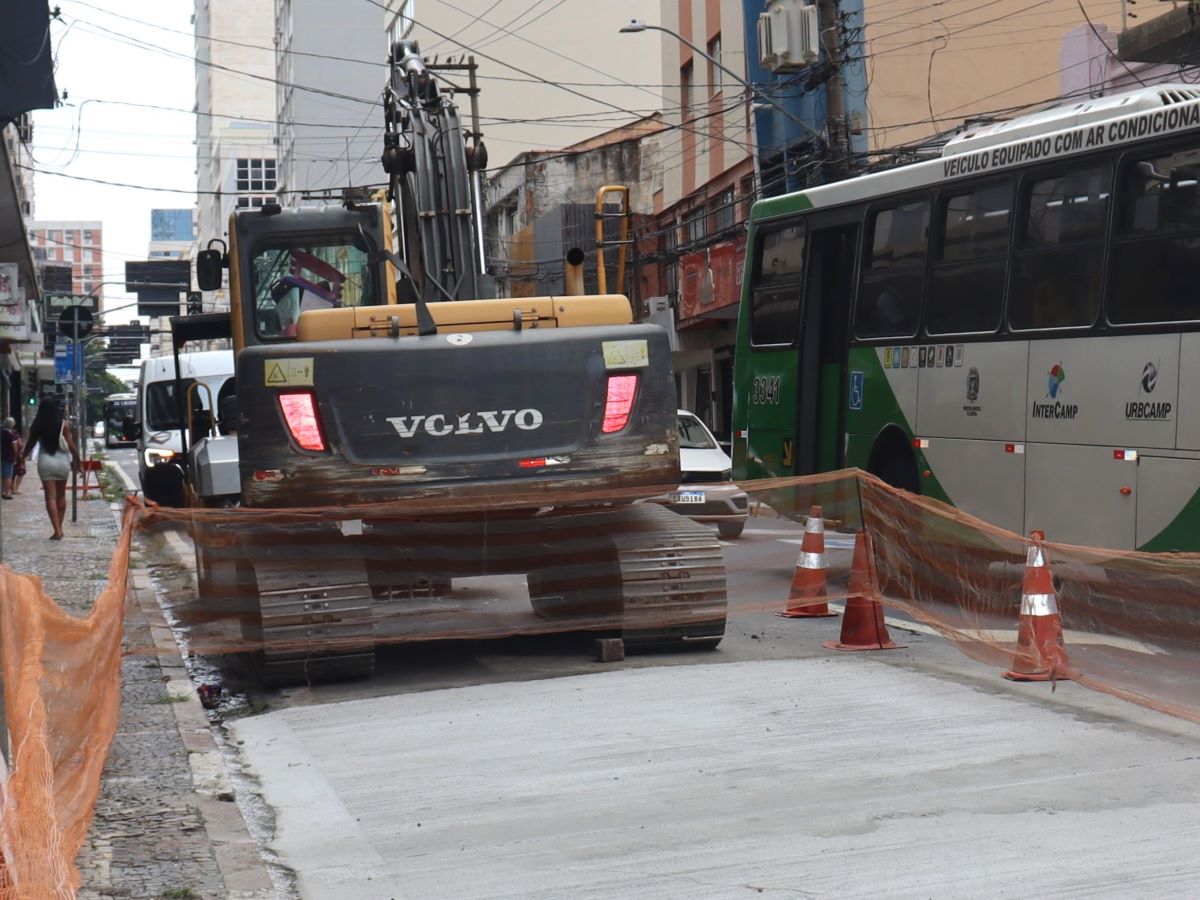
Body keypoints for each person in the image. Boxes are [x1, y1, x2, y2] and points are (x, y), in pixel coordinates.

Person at [23, 399, 80, 540]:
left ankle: (57, 530)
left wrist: (21, 458)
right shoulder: (64, 425)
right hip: (62, 463)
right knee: (61, 496)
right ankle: (59, 529)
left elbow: (30, 444)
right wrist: (78, 462)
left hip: (45, 462)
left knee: (50, 497)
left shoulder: (37, 425)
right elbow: (71, 446)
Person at [1, 416, 19, 499]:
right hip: (9, 457)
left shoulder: (2, 433)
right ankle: (7, 493)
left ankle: (2, 491)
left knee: (3, 475)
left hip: (2, 456)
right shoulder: (11, 435)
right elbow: (15, 447)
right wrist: (17, 456)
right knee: (8, 476)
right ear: (12, 425)